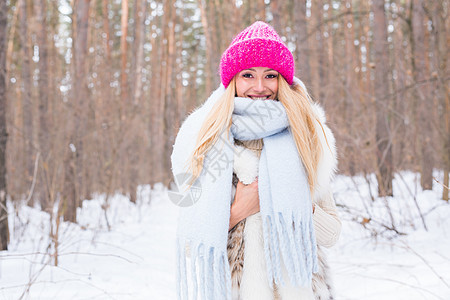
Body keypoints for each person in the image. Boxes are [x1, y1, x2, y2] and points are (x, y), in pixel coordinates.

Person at [171, 21, 341, 300]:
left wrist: (291, 200)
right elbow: (192, 243)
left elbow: (331, 234)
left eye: (270, 75)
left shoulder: (306, 137)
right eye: (248, 75)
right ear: (233, 80)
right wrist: (239, 209)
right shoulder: (207, 140)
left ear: (282, 80)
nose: (259, 87)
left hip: (300, 290)